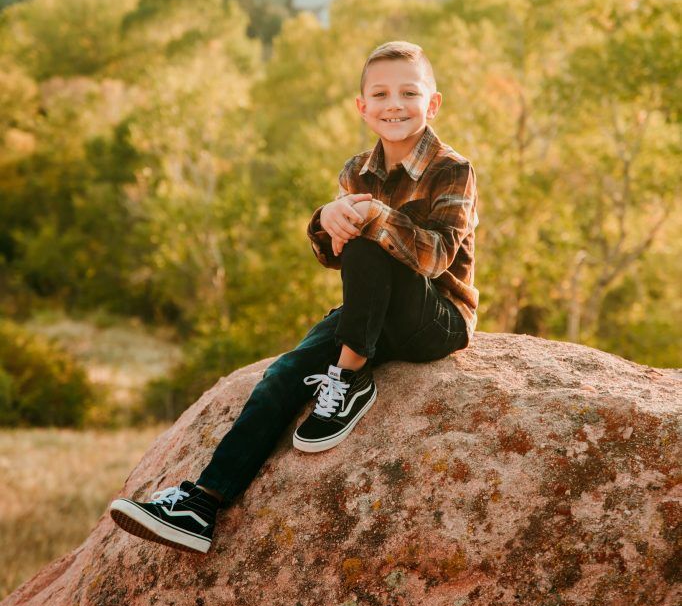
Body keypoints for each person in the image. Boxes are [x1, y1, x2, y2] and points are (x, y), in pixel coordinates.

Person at [109, 40, 479, 554]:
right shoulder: (356, 171)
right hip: (372, 315)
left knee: (372, 246)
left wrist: (374, 219)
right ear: (363, 107)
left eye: (408, 92)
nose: (395, 104)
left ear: (432, 103)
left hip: (436, 318)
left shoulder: (452, 169)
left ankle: (349, 380)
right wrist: (326, 221)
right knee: (285, 372)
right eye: (381, 93)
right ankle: (200, 505)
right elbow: (339, 259)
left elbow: (436, 258)